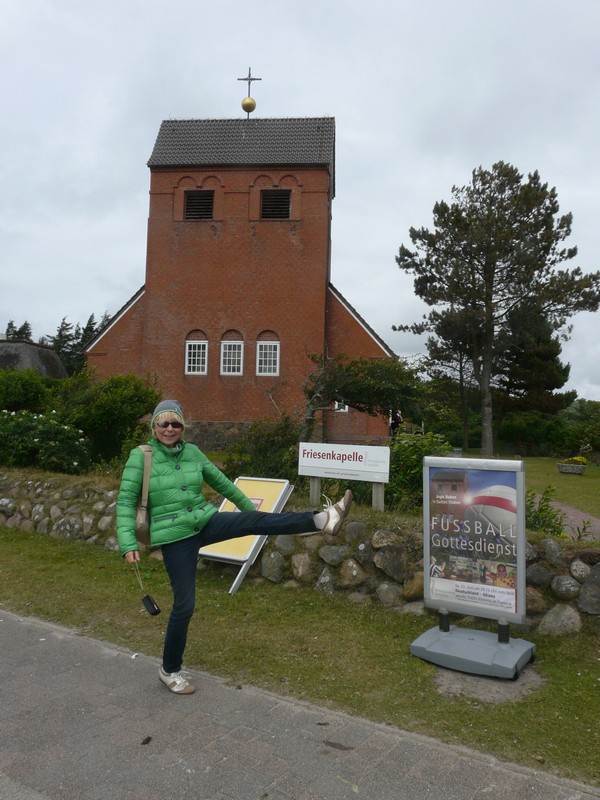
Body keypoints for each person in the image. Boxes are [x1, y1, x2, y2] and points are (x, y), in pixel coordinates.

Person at [117, 400, 353, 696]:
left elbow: (222, 483)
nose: (169, 428)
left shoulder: (192, 452)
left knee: (256, 520)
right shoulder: (141, 457)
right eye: (163, 423)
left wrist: (245, 514)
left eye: (175, 423)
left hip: (204, 521)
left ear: (183, 427)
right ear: (153, 426)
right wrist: (127, 543)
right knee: (184, 605)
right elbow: (126, 501)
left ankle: (322, 520)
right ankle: (169, 670)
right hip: (175, 537)